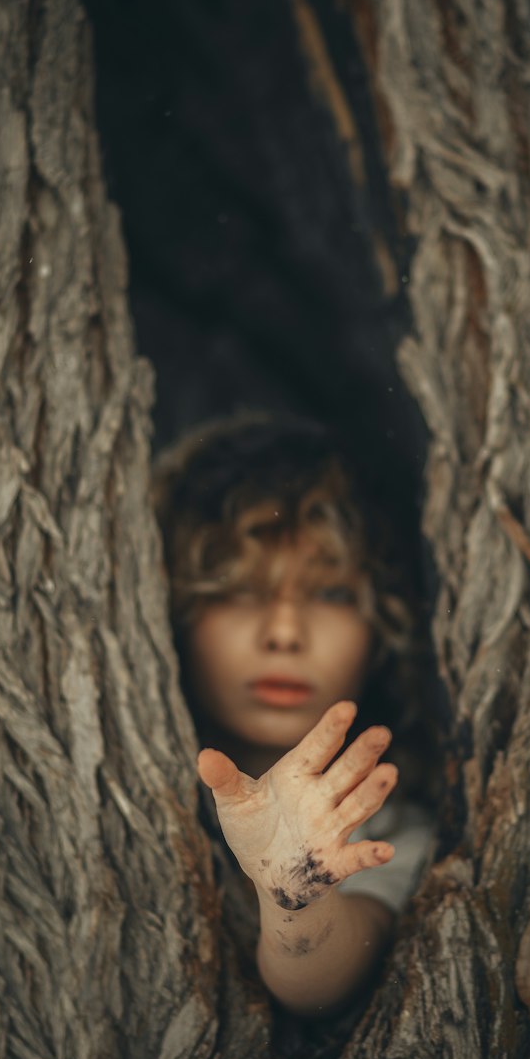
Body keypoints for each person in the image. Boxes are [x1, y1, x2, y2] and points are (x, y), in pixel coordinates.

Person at [153, 413, 436, 1017]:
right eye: (237, 590)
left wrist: (296, 894)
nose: (284, 633)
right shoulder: (126, 777)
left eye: (331, 593)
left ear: (382, 625)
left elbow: (319, 987)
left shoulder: (382, 822)